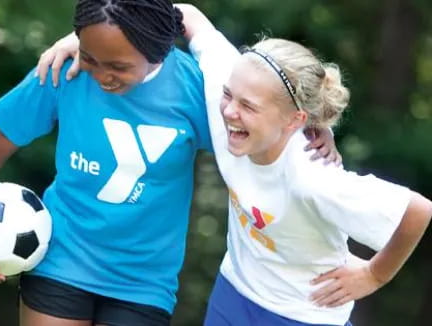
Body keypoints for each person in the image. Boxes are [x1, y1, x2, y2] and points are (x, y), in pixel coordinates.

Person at [0, 1, 339, 326]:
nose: (102, 75)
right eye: (92, 58)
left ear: (156, 49)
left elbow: (260, 123)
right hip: (61, 259)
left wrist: (311, 128)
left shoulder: (196, 89)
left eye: (118, 66)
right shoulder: (63, 71)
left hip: (144, 285)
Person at [176, 4, 431, 326]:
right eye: (229, 95)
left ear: (294, 120)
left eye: (248, 106)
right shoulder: (232, 89)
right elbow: (191, 18)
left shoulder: (312, 176)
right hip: (233, 294)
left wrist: (374, 275)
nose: (228, 112)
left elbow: (418, 210)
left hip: (304, 315)